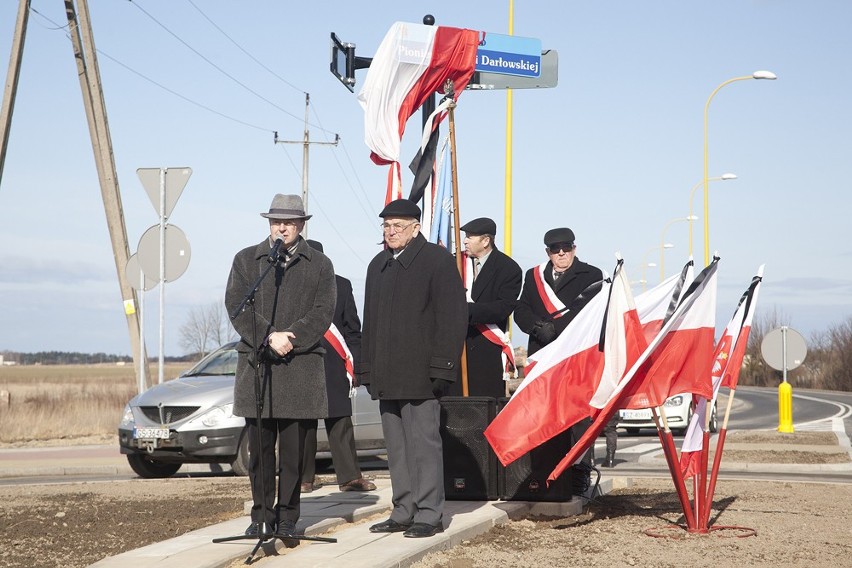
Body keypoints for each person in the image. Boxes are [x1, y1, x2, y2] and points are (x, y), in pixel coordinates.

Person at [224, 193, 336, 538]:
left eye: (288, 221)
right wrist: (269, 336)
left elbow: (323, 310)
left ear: (301, 224)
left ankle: (288, 517)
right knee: (259, 452)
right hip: (259, 369)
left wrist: (291, 337)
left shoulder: (319, 263)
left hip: (299, 369)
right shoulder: (247, 260)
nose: (281, 227)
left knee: (293, 454)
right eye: (275, 221)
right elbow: (237, 305)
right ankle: (261, 516)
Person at [358, 198, 467, 539]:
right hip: (386, 375)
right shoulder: (377, 265)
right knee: (396, 446)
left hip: (422, 373)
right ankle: (403, 510)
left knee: (424, 445)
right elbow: (369, 323)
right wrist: (365, 369)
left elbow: (452, 317)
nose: (391, 232)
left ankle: (430, 513)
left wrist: (443, 367)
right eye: (386, 226)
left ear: (416, 228)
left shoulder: (437, 261)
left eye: (398, 226)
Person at [514, 227, 604, 493]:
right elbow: (521, 308)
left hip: (574, 355)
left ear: (574, 249)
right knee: (544, 414)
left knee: (577, 417)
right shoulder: (534, 276)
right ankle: (546, 471)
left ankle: (579, 472)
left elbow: (588, 310)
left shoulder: (592, 274)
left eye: (566, 248)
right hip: (542, 354)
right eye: (556, 250)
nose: (562, 253)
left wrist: (556, 328)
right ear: (548, 253)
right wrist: (535, 326)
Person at [300, 239, 376, 494]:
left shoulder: (341, 285)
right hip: (301, 363)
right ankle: (302, 478)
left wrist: (356, 365)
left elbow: (353, 330)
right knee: (301, 425)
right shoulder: (291, 286)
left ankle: (350, 477)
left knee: (340, 422)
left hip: (334, 364)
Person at [447, 217, 522, 399]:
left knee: (483, 409)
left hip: (486, 350)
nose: (464, 240)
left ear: (486, 241)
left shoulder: (508, 269)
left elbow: (503, 307)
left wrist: (467, 310)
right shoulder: (453, 263)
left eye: (470, 237)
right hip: (455, 348)